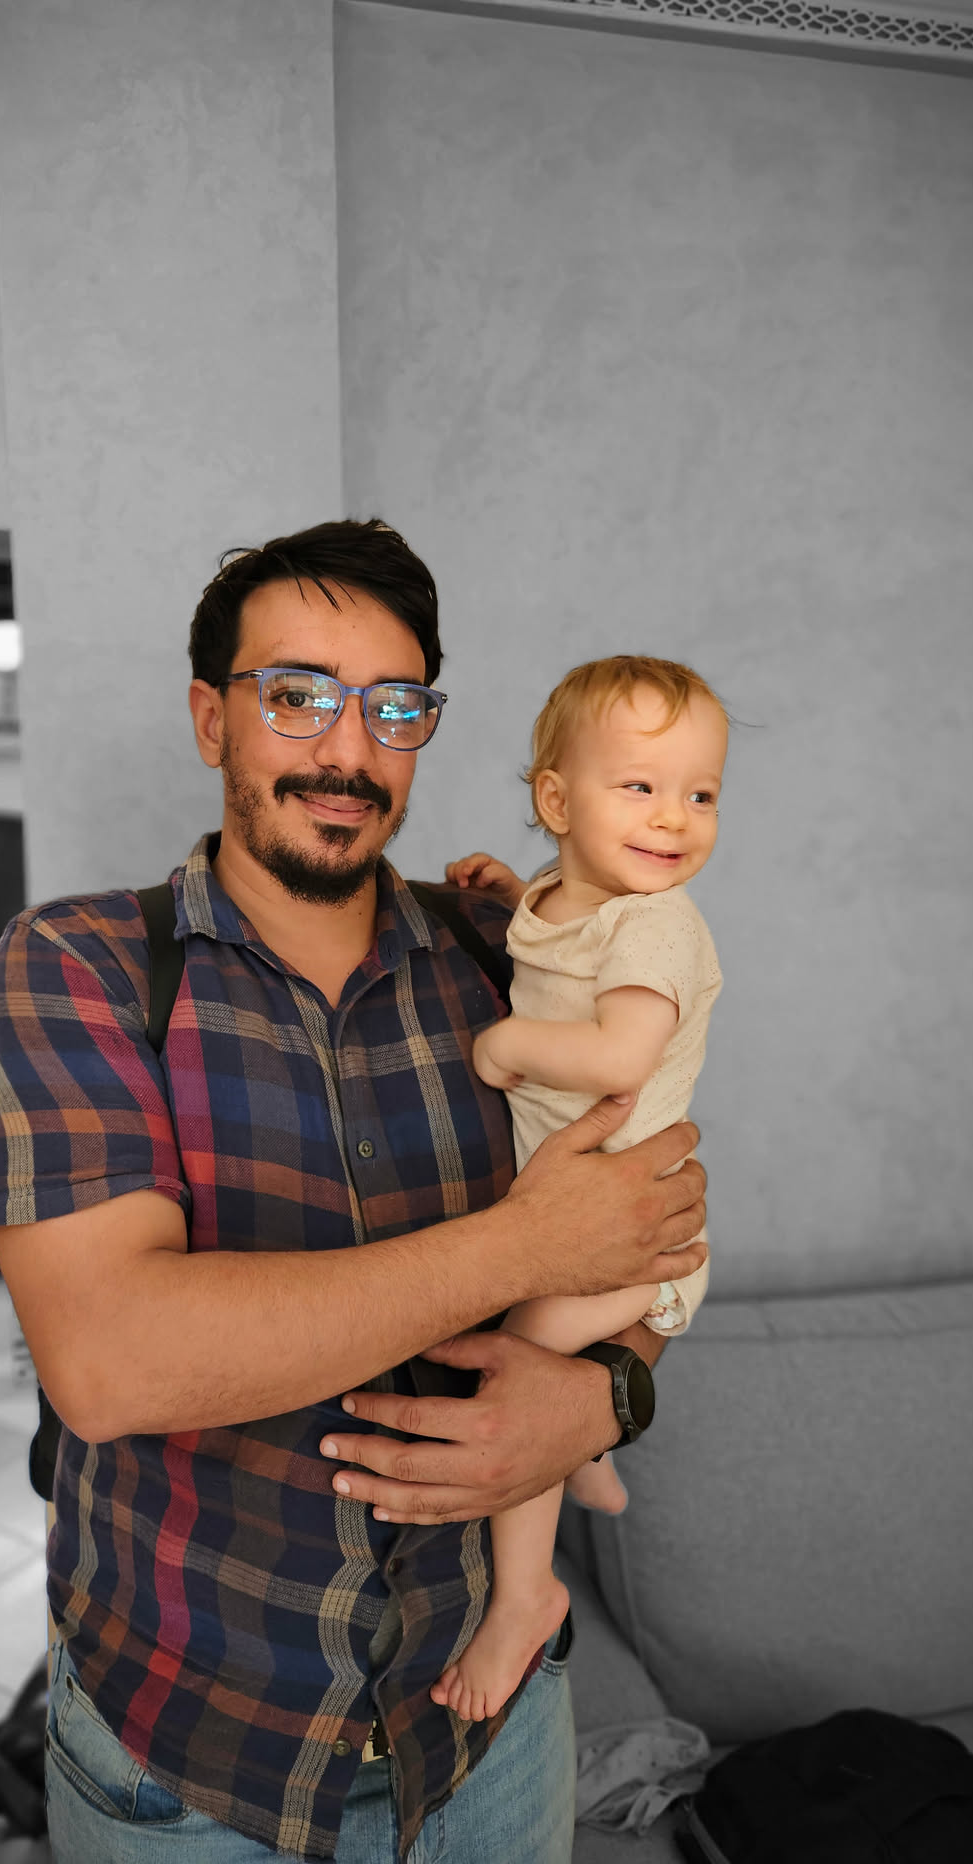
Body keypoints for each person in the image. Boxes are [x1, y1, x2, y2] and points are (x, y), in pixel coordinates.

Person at [0, 520, 708, 1863]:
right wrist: (520, 1248)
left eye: (394, 706)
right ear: (213, 718)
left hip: (489, 1743)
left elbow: (649, 1218)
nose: (348, 750)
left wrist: (604, 1397)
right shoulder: (77, 966)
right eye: (297, 695)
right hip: (193, 1766)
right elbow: (111, 1363)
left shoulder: (511, 954)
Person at [431, 656, 726, 1724]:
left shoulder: (659, 923)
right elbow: (571, 952)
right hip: (596, 1227)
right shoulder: (579, 906)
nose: (675, 817)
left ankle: (526, 1595)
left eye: (701, 793)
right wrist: (519, 899)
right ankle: (589, 1455)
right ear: (558, 804)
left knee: (519, 1373)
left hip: (632, 1240)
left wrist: (506, 1044)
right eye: (640, 786)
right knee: (535, 1348)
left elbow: (619, 1054)